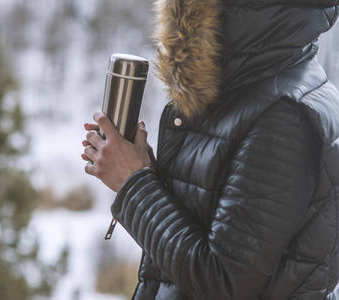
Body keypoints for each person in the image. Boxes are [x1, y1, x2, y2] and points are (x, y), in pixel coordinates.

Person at [82, 0, 339, 299]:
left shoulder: (283, 116)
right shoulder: (239, 89)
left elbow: (223, 282)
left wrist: (134, 182)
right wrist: (148, 173)